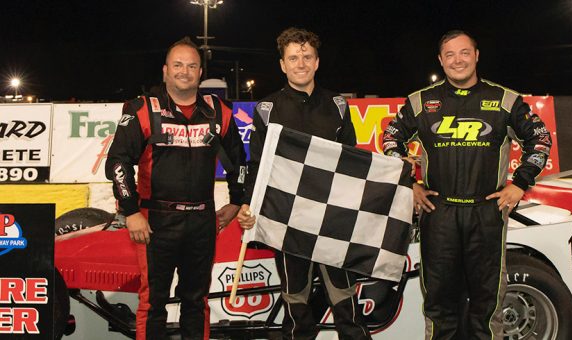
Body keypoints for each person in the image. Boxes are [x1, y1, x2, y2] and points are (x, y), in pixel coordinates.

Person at [382, 30, 552, 340]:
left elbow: (539, 140)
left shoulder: (505, 100)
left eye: (464, 53)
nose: (457, 60)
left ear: (476, 56)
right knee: (439, 302)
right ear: (440, 60)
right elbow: (390, 140)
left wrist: (519, 184)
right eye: (450, 55)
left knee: (487, 304)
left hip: (486, 213)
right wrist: (410, 185)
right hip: (439, 214)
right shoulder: (421, 101)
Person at [105, 37, 246, 340]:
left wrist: (236, 201)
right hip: (155, 223)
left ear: (200, 72)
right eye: (178, 65)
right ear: (165, 70)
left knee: (196, 302)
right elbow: (117, 163)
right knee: (153, 302)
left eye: (192, 65)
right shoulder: (143, 108)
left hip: (202, 222)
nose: (185, 71)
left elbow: (240, 163)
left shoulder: (218, 111)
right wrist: (130, 212)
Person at [236, 27, 372, 340]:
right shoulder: (267, 109)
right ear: (283, 64)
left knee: (346, 303)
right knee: (296, 308)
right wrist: (248, 203)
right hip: (288, 221)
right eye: (294, 57)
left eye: (307, 56)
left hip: (332, 220)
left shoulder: (337, 104)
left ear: (317, 61)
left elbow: (352, 161)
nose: (301, 63)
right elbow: (256, 164)